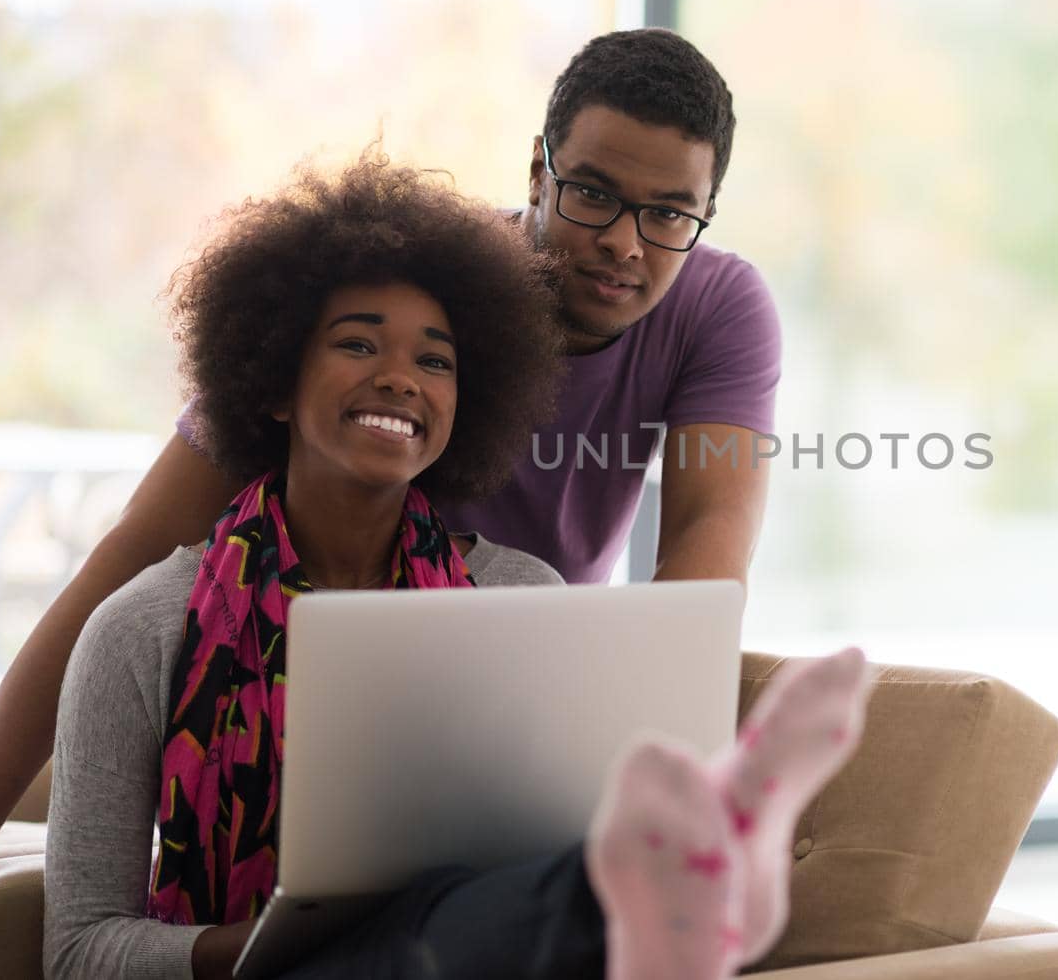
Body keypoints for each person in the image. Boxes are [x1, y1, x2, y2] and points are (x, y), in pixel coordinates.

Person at [0, 28, 781, 891]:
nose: (625, 242)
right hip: (292, 681)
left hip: (504, 698)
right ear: (537, 174)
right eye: (592, 195)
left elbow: (709, 541)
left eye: (670, 213)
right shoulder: (412, 284)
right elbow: (137, 551)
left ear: (706, 212)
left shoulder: (719, 309)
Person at [44, 156, 867, 980]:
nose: (400, 377)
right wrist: (264, 948)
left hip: (482, 953)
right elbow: (78, 952)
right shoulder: (143, 628)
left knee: (492, 905)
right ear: (273, 383)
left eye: (435, 362)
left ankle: (669, 879)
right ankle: (678, 889)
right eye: (358, 343)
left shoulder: (523, 601)